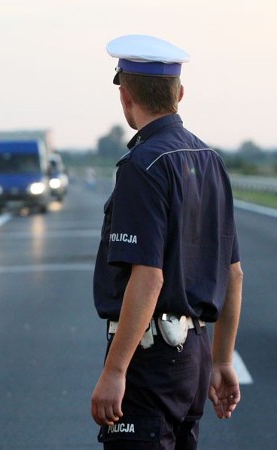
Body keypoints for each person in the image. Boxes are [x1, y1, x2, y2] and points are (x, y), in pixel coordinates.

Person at [90, 35, 243, 449]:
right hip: (192, 360)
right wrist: (222, 359)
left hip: (150, 363)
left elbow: (148, 278)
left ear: (125, 96)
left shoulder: (142, 165)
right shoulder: (210, 161)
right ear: (180, 93)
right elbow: (233, 274)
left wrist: (116, 371)